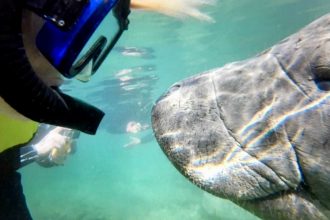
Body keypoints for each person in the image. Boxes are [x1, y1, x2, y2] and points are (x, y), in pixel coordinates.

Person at [0, 0, 214, 219]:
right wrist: (34, 152)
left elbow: (7, 161)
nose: (66, 74)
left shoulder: (29, 98)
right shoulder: (23, 94)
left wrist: (46, 154)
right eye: (67, 39)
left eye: (86, 46)